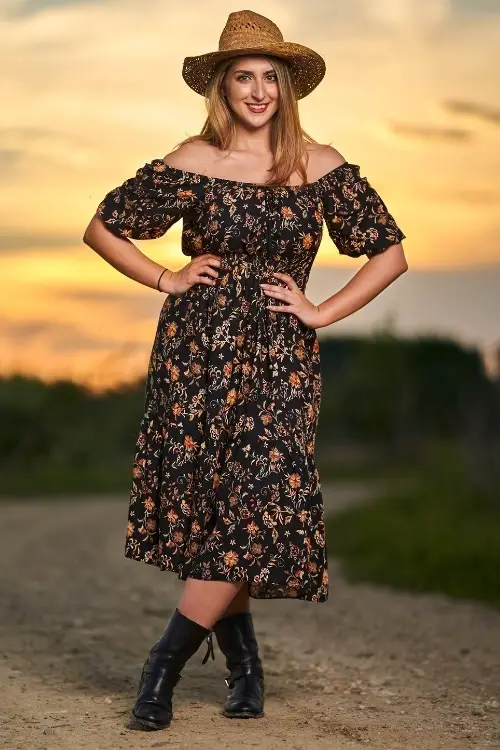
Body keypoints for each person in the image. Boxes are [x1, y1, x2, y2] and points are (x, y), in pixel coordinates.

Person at [83, 9, 408, 733]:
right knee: (216, 507)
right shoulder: (194, 158)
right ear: (222, 88)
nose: (258, 91)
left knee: (256, 502)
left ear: (287, 88)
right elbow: (101, 226)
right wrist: (164, 278)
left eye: (270, 78)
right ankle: (246, 666)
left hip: (280, 359)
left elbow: (389, 254)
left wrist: (321, 312)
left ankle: (161, 665)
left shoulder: (318, 164)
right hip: (195, 353)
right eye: (243, 78)